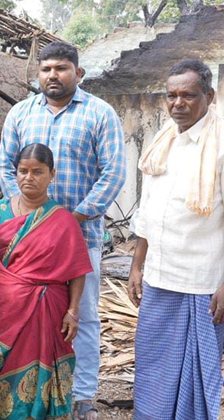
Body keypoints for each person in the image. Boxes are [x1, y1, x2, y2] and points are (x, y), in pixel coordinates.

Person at [0, 41, 126, 419]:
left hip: (79, 240)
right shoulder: (21, 114)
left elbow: (114, 172)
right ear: (38, 74)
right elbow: (7, 168)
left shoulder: (100, 114)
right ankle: (30, 390)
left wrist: (73, 218)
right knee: (27, 315)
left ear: (78, 73)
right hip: (28, 240)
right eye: (46, 69)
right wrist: (27, 216)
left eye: (62, 68)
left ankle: (81, 398)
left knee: (80, 317)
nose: (53, 75)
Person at [128, 59, 224, 419]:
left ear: (209, 96)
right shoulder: (162, 139)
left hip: (203, 283)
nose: (178, 103)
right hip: (159, 276)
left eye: (188, 95)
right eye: (171, 96)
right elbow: (148, 212)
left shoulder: (220, 145)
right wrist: (137, 265)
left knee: (198, 376)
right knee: (153, 362)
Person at [0, 143, 92, 419]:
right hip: (5, 309)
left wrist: (73, 311)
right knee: (3, 367)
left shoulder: (63, 220)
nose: (29, 177)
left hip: (47, 310)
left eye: (38, 171)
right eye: (23, 171)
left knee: (40, 369)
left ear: (52, 174)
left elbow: (77, 271)